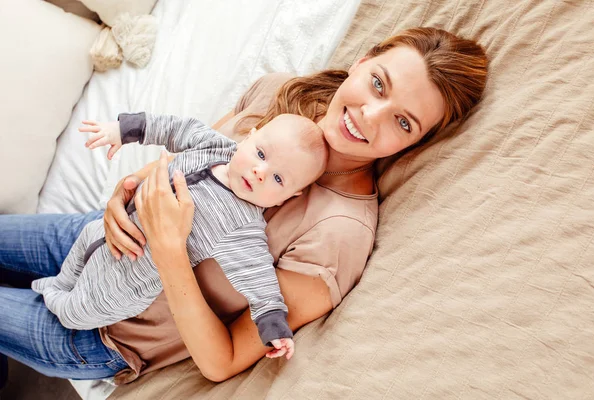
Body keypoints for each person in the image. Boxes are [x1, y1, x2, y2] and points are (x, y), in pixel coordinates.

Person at [0, 27, 488, 386]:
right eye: (379, 84)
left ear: (416, 144)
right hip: (91, 236)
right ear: (361, 63)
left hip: (103, 330)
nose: (371, 115)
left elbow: (223, 359)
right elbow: (183, 162)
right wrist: (123, 194)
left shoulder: (339, 232)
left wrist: (171, 257)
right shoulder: (281, 93)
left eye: (404, 123)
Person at [31, 113, 328, 358]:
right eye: (261, 154)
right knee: (79, 251)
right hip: (103, 232)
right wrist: (123, 130)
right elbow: (174, 128)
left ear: (287, 197)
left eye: (278, 178)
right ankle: (56, 285)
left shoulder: (243, 228)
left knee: (73, 313)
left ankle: (48, 293)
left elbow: (259, 278)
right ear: (249, 136)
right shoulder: (214, 146)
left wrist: (274, 328)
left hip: (124, 284)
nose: (260, 171)